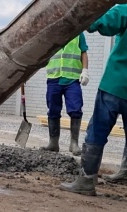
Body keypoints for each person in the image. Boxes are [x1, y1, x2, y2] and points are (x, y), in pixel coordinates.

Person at [60, 5, 127, 196]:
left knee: (98, 130)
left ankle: (86, 180)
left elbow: (101, 22)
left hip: (116, 83)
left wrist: (82, 16)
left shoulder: (125, 10)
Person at [40, 33, 89, 156]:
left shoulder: (78, 34)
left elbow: (83, 52)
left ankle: (74, 143)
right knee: (53, 110)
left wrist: (85, 70)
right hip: (53, 78)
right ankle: (53, 143)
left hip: (72, 79)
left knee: (76, 109)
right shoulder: (52, 33)